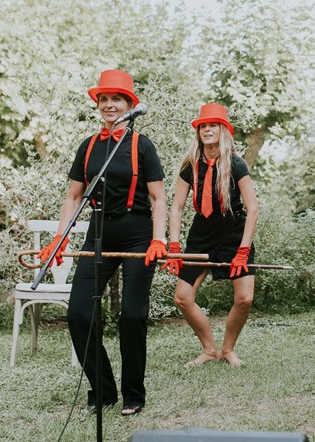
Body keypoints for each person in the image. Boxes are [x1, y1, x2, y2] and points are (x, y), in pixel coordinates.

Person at [38, 69, 167, 417]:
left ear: (129, 104)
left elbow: (158, 198)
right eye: (104, 99)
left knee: (131, 315)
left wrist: (159, 239)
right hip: (98, 232)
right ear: (99, 105)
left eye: (117, 99)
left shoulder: (143, 145)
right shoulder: (89, 147)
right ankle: (103, 389)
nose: (110, 105)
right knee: (79, 313)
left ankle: (133, 394)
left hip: (138, 232)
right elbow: (72, 195)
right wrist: (60, 239)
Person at [166, 103, 259, 367]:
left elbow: (252, 208)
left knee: (245, 298)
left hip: (234, 233)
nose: (207, 130)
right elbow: (176, 206)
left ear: (223, 130)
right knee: (182, 298)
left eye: (212, 125)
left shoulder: (237, 164)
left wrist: (243, 250)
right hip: (201, 235)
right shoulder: (190, 166)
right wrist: (174, 244)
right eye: (203, 126)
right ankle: (209, 350)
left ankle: (228, 350)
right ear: (198, 132)